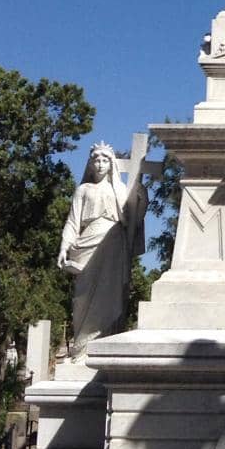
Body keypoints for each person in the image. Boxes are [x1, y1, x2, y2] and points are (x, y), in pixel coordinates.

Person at [58, 142, 148, 354]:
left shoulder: (119, 189)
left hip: (113, 242)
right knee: (83, 298)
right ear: (90, 164)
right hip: (86, 243)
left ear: (111, 164)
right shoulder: (83, 190)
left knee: (110, 295)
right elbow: (72, 221)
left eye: (105, 160)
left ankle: (104, 345)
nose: (100, 164)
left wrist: (143, 200)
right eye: (96, 160)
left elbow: (133, 219)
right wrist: (64, 246)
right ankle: (81, 348)